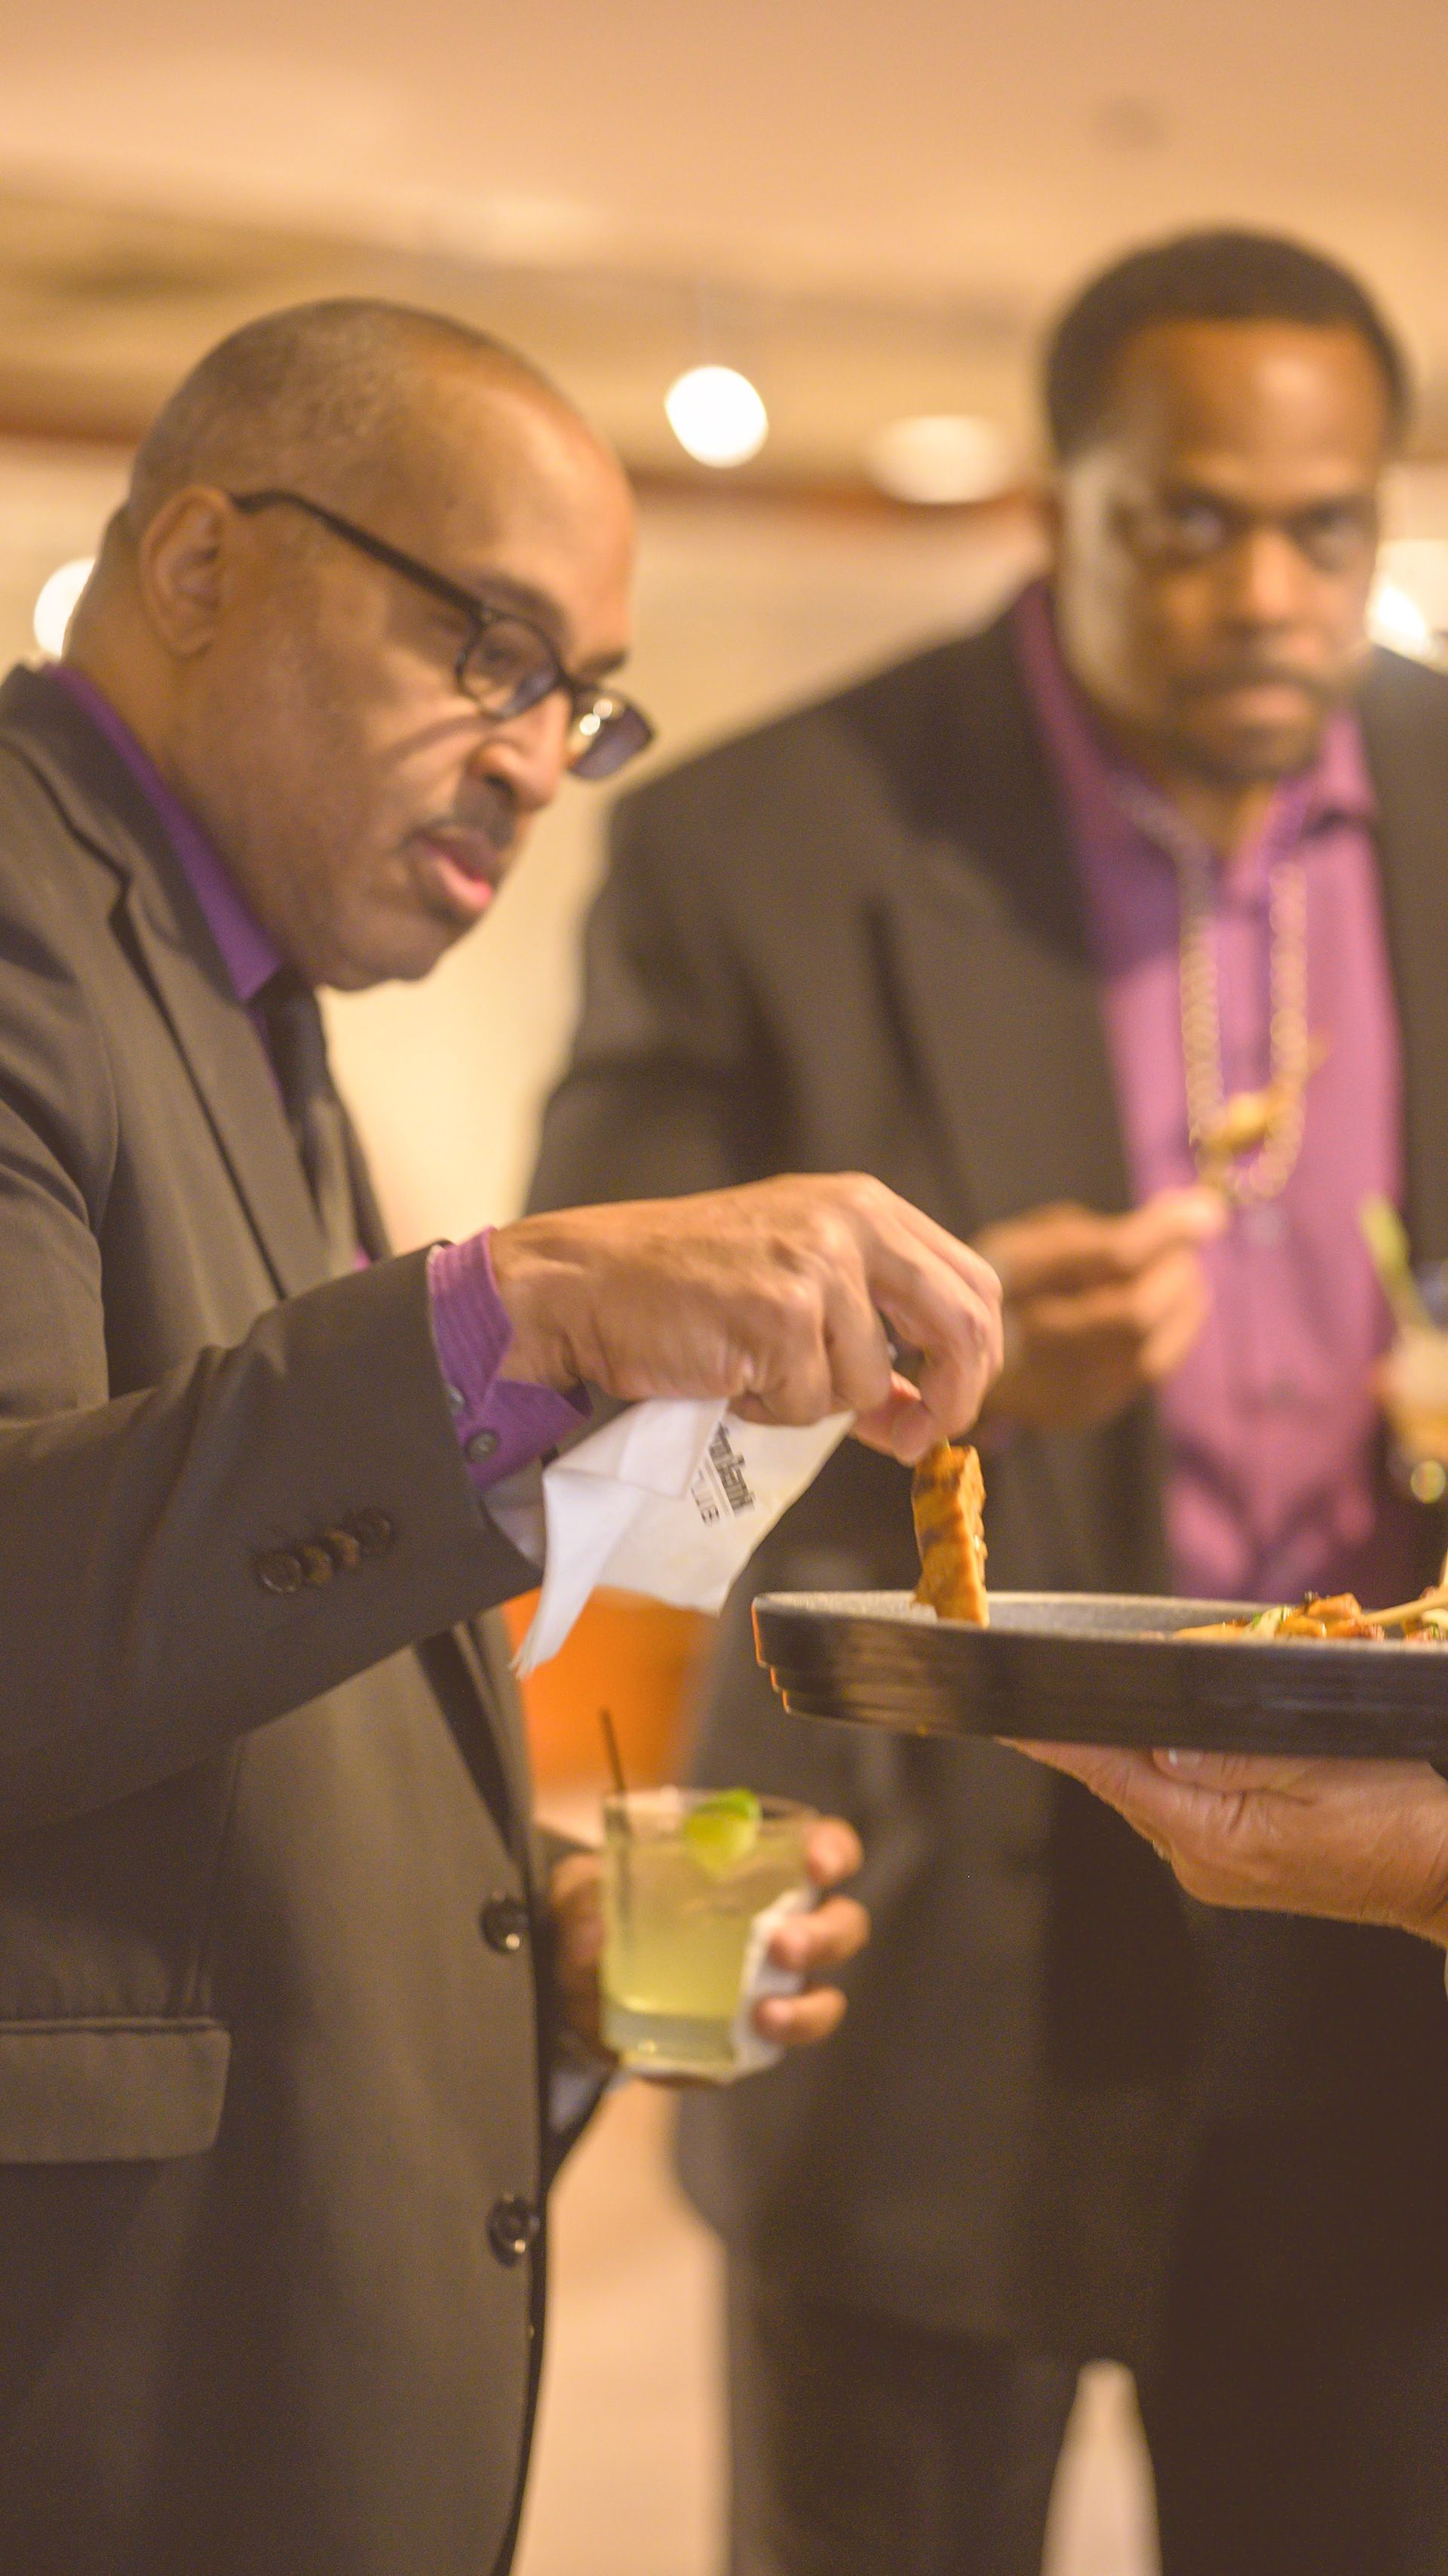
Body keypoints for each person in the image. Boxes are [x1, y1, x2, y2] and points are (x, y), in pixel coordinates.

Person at [0, 296, 1007, 2576]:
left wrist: (509, 1962)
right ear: (196, 565)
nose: (544, 756)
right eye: (492, 648)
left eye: (586, 700)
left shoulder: (235, 982)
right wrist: (529, 1301)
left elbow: (214, 1609)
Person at [529, 229, 1448, 2576]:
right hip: (932, 1987)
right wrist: (914, 1396)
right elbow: (579, 1445)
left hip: (1387, 1994)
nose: (1267, 588)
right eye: (1190, 517)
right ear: (1062, 500)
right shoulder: (763, 848)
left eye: (1322, 527)